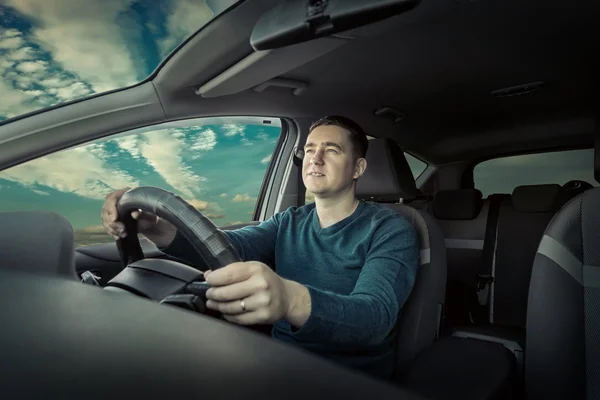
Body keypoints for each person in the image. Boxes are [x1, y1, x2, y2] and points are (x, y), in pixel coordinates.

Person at [101, 115, 419, 379]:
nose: (315, 159)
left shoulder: (391, 230)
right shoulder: (289, 221)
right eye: (309, 150)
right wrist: (155, 226)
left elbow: (373, 318)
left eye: (332, 150)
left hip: (348, 380)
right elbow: (227, 249)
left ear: (358, 169)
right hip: (276, 363)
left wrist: (289, 300)